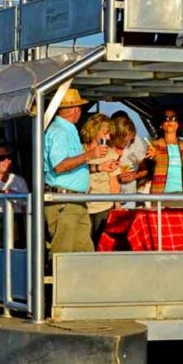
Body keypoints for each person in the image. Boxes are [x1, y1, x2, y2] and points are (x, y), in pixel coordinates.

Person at [43, 88, 109, 254]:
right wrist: (89, 155)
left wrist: (98, 167)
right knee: (65, 252)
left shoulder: (67, 130)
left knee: (82, 252)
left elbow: (70, 166)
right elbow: (59, 166)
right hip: (64, 202)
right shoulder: (59, 132)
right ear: (76, 110)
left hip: (73, 201)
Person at [81, 113, 122, 246]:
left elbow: (113, 182)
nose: (108, 137)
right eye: (105, 133)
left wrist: (117, 206)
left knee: (100, 244)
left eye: (110, 134)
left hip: (103, 207)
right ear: (94, 130)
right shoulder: (78, 150)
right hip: (81, 206)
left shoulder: (110, 153)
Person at [110, 111, 150, 208]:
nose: (128, 142)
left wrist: (134, 175)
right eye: (125, 141)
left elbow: (145, 169)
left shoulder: (135, 143)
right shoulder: (105, 145)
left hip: (129, 196)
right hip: (106, 199)